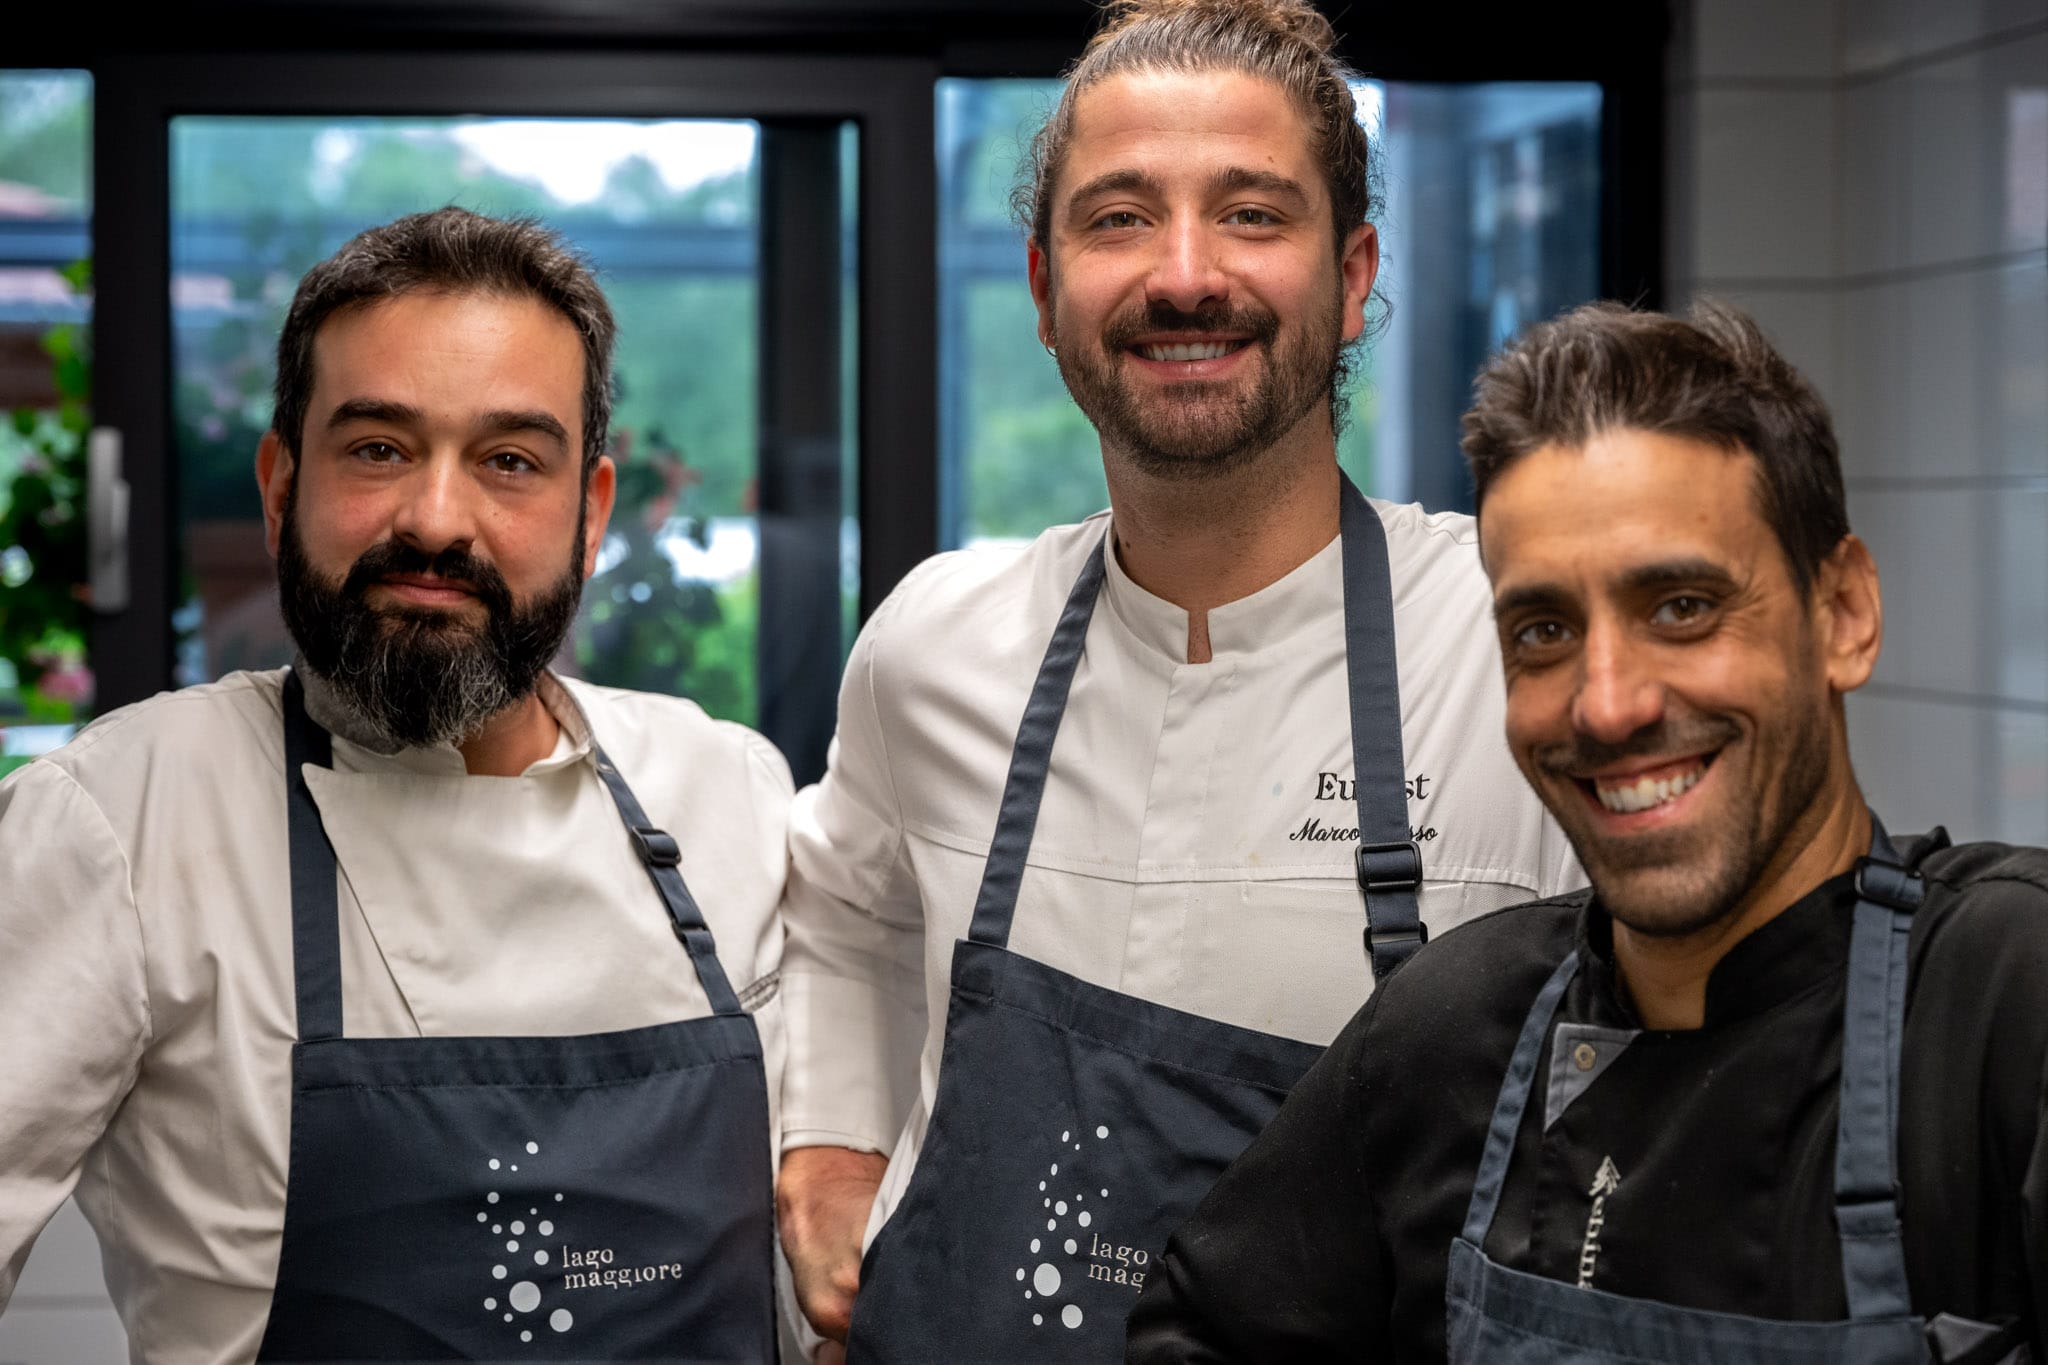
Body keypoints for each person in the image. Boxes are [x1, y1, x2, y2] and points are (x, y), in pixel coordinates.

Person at [773, 1, 1581, 1358]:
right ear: (1044, 290)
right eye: (1120, 218)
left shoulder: (1510, 641)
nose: (1186, 274)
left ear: (1354, 273)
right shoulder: (934, 645)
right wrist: (833, 1151)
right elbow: (844, 911)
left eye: (1252, 214)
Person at [1125, 300, 2048, 1364]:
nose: (1606, 705)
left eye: (1681, 607)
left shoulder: (2004, 1005)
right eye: (1545, 630)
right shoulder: (1448, 1026)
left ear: (1842, 612)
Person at [0, 208, 793, 1362]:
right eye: (377, 449)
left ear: (590, 512)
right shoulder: (122, 818)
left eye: (509, 461)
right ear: (281, 485)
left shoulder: (729, 794)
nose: (434, 521)